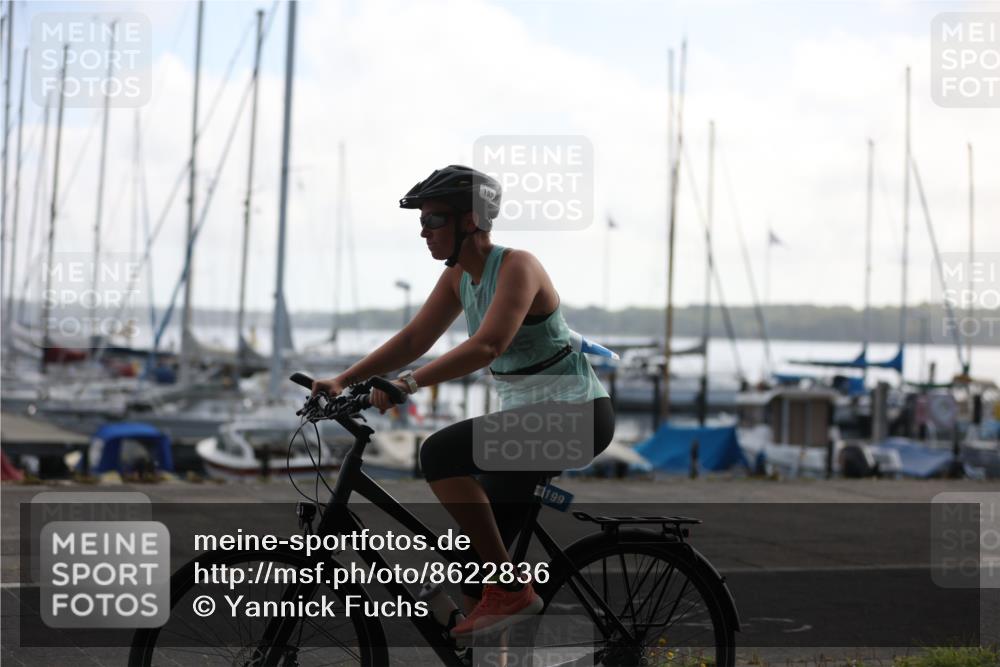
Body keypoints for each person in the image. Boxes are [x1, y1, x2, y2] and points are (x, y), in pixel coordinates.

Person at [312, 164, 615, 639]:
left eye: (433, 220)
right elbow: (415, 337)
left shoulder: (519, 266)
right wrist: (345, 378)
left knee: (439, 453)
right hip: (530, 420)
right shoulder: (459, 277)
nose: (423, 231)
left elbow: (487, 346)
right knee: (473, 563)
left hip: (575, 416)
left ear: (470, 221)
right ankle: (497, 610)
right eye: (421, 221)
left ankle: (512, 589)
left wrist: (404, 385)